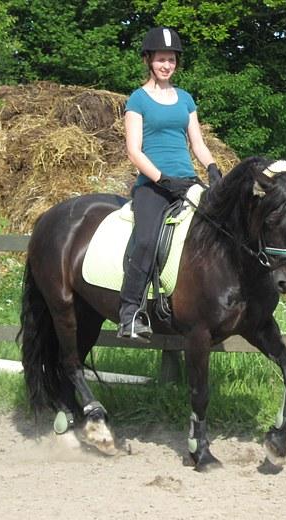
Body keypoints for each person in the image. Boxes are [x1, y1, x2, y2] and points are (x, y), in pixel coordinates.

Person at [118, 26, 222, 341]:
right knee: (148, 240)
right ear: (149, 60)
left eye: (172, 60)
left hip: (187, 180)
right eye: (161, 59)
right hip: (154, 185)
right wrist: (161, 179)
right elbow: (134, 151)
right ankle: (129, 313)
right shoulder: (138, 99)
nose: (167, 65)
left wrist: (213, 167)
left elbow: (198, 144)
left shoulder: (185, 99)